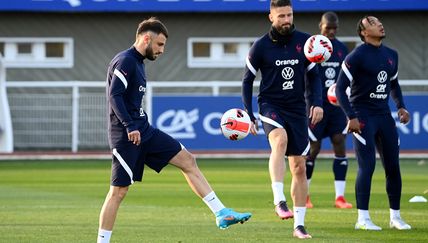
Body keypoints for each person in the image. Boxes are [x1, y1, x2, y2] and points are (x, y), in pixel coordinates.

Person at [97, 17, 251, 243]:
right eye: (159, 44)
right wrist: (129, 125)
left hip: (144, 131)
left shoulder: (138, 63)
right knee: (118, 192)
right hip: (126, 136)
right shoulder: (126, 61)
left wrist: (137, 125)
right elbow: (114, 95)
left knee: (187, 160)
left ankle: (221, 212)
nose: (162, 50)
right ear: (146, 38)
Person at [242, 0, 323, 239]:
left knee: (298, 166)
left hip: (297, 108)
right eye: (281, 17)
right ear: (271, 17)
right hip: (270, 105)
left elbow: (315, 77)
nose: (286, 20)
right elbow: (247, 81)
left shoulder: (306, 43)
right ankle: (279, 199)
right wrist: (248, 111)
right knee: (279, 140)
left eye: (289, 15)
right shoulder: (260, 47)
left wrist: (317, 103)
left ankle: (299, 225)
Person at [336, 15, 411, 231]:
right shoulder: (356, 56)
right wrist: (351, 117)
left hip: (384, 115)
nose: (379, 24)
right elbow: (340, 89)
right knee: (367, 167)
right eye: (373, 22)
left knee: (393, 167)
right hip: (362, 116)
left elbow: (394, 84)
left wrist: (401, 106)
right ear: (364, 32)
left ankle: (395, 217)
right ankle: (362, 219)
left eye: (379, 21)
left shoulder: (391, 55)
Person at [305, 12, 352, 209]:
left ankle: (339, 198)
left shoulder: (342, 49)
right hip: (316, 106)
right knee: (313, 149)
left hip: (336, 107)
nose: (331, 31)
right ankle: (305, 196)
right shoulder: (312, 47)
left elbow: (349, 76)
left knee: (339, 143)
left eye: (334, 28)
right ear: (320, 26)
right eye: (327, 28)